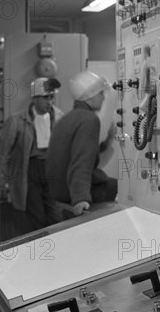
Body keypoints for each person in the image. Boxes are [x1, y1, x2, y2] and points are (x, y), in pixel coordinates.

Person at [0, 77, 63, 235]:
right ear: (34, 99)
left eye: (51, 97)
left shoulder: (59, 117)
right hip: (30, 171)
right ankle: (40, 255)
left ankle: (56, 254)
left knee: (56, 217)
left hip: (52, 170)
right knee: (37, 220)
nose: (49, 102)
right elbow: (2, 153)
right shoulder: (17, 121)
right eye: (45, 98)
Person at [46, 70, 117, 216]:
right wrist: (80, 198)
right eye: (100, 94)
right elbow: (81, 161)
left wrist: (108, 141)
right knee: (122, 188)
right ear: (89, 97)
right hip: (71, 192)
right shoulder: (89, 119)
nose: (103, 98)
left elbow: (79, 150)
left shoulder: (66, 119)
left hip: (58, 190)